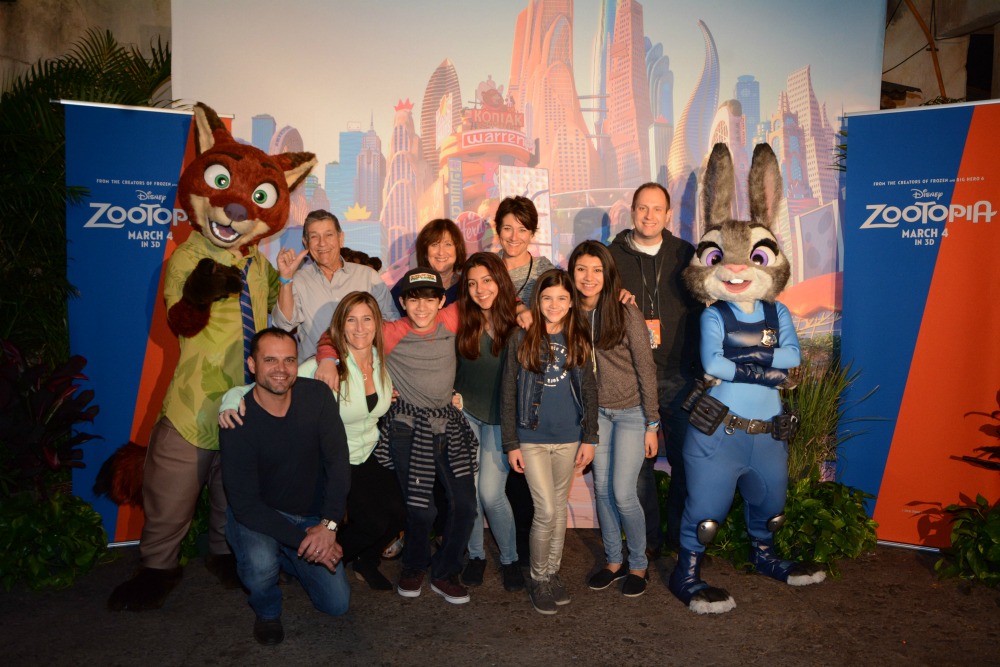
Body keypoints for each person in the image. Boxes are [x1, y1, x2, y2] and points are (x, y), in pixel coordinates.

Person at [219, 292, 404, 592]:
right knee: (373, 519)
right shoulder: (325, 366)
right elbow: (275, 381)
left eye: (367, 319)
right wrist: (232, 398)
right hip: (335, 459)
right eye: (351, 320)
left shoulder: (377, 357)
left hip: (369, 452)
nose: (360, 327)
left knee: (399, 510)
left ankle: (362, 559)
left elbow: (375, 404)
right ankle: (320, 554)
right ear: (340, 327)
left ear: (378, 324)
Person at [317, 268, 478, 605]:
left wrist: (521, 310)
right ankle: (414, 565)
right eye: (414, 299)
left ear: (441, 301)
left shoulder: (451, 318)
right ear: (403, 302)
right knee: (421, 509)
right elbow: (336, 334)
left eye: (430, 299)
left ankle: (446, 571)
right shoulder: (391, 331)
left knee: (465, 504)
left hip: (448, 424)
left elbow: (493, 302)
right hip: (407, 427)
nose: (422, 307)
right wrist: (328, 360)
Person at [219, 328, 351, 646]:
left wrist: (328, 526)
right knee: (261, 564)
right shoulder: (237, 418)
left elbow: (338, 463)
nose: (282, 368)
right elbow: (245, 504)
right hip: (259, 516)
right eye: (271, 360)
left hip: (311, 515)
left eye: (289, 359)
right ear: (252, 365)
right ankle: (266, 611)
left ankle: (290, 558)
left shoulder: (317, 397)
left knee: (337, 605)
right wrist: (306, 541)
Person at [609, 183, 702, 557]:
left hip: (681, 373)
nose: (649, 216)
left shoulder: (686, 254)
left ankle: (683, 538)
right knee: (639, 469)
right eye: (642, 208)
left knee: (686, 462)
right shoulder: (611, 257)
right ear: (632, 212)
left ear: (668, 215)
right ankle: (647, 542)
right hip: (633, 375)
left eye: (657, 209)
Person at [501, 269, 598, 615]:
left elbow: (589, 390)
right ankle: (539, 578)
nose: (554, 304)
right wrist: (511, 442)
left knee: (557, 511)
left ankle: (552, 573)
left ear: (571, 302)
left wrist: (590, 437)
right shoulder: (521, 337)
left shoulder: (578, 337)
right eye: (546, 298)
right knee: (546, 510)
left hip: (569, 437)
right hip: (532, 438)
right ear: (536, 301)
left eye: (561, 298)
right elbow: (509, 391)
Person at [569, 241, 659, 598]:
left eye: (596, 270)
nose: (588, 277)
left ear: (607, 274)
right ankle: (613, 561)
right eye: (581, 269)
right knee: (603, 491)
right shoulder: (570, 312)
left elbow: (646, 368)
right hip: (597, 416)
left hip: (632, 413)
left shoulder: (625, 312)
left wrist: (653, 423)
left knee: (623, 493)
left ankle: (638, 564)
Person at [454, 252, 524, 592]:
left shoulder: (519, 323)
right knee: (470, 493)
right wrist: (451, 393)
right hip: (467, 414)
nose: (480, 289)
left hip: (501, 422)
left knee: (492, 493)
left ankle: (509, 559)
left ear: (500, 280)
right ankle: (477, 555)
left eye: (486, 280)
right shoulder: (460, 320)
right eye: (472, 283)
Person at [494, 195, 553, 565]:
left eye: (523, 229)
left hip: (531, 380)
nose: (514, 236)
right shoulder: (486, 267)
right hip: (490, 375)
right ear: (497, 229)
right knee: (497, 467)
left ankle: (532, 552)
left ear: (533, 232)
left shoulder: (545, 270)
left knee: (525, 471)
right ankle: (509, 551)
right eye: (507, 228)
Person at [272, 209, 397, 362]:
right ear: (305, 242)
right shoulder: (297, 280)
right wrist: (285, 279)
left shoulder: (368, 276)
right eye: (314, 237)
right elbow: (283, 325)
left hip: (363, 373)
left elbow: (392, 324)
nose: (322, 243)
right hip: (316, 374)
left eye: (329, 235)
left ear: (341, 238)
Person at [391, 218, 467, 313]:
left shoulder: (467, 287)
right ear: (425, 252)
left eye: (448, 244)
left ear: (458, 249)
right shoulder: (405, 286)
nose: (441, 252)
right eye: (434, 244)